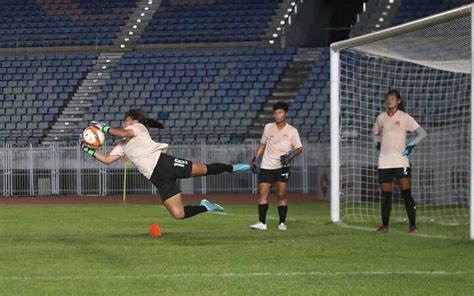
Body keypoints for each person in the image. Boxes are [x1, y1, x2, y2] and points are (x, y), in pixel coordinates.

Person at [80, 109, 250, 220]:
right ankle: (206, 207)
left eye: (126, 120)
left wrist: (104, 128)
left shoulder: (138, 127)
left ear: (134, 120)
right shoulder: (121, 145)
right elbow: (108, 160)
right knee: (179, 214)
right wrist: (88, 151)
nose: (124, 123)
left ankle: (231, 168)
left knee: (204, 170)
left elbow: (124, 132)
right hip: (157, 178)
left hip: (165, 164)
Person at [373, 90, 427, 234]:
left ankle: (413, 226)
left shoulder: (404, 117)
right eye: (388, 98)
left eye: (392, 98)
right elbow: (375, 134)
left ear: (398, 101)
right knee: (386, 195)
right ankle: (385, 226)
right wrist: (377, 144)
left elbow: (422, 133)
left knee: (406, 194)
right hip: (384, 162)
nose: (389, 101)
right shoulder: (381, 118)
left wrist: (411, 145)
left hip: (401, 161)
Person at [249, 102, 303, 231]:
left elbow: (299, 148)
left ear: (286, 114)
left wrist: (290, 155)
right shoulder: (268, 127)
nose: (277, 115)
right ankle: (262, 223)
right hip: (266, 165)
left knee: (281, 195)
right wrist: (255, 159)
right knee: (263, 193)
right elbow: (262, 144)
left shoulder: (292, 131)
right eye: (275, 113)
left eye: (280, 112)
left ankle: (282, 223)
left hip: (282, 167)